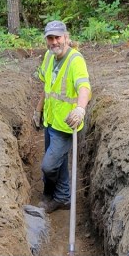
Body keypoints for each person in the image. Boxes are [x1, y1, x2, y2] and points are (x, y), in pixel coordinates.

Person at [32, 20, 91, 212]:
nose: (54, 42)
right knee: (58, 160)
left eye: (58, 37)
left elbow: (84, 87)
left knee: (49, 166)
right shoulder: (49, 57)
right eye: (50, 38)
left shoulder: (75, 60)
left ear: (66, 37)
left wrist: (80, 109)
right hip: (51, 119)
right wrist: (38, 110)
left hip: (66, 124)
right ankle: (62, 196)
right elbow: (46, 88)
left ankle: (53, 195)